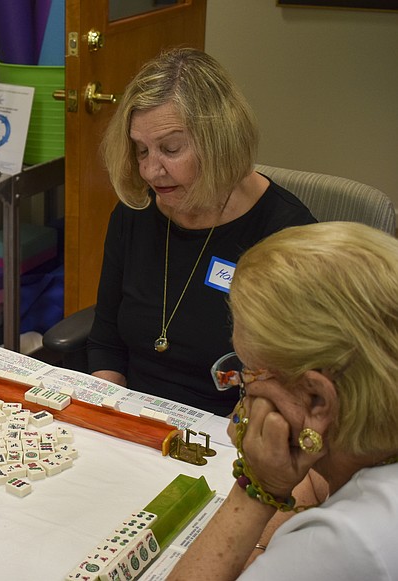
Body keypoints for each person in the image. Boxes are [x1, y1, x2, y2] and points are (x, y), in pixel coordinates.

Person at [86, 47, 315, 415]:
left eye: (170, 149)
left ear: (219, 142)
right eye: (141, 150)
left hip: (229, 431)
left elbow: (291, 385)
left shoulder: (286, 236)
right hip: (132, 417)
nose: (150, 171)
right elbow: (106, 342)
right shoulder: (135, 214)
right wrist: (107, 417)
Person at [169, 221, 398, 580]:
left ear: (317, 399)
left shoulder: (347, 540)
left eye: (249, 374)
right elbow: (326, 480)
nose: (241, 398)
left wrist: (258, 485)